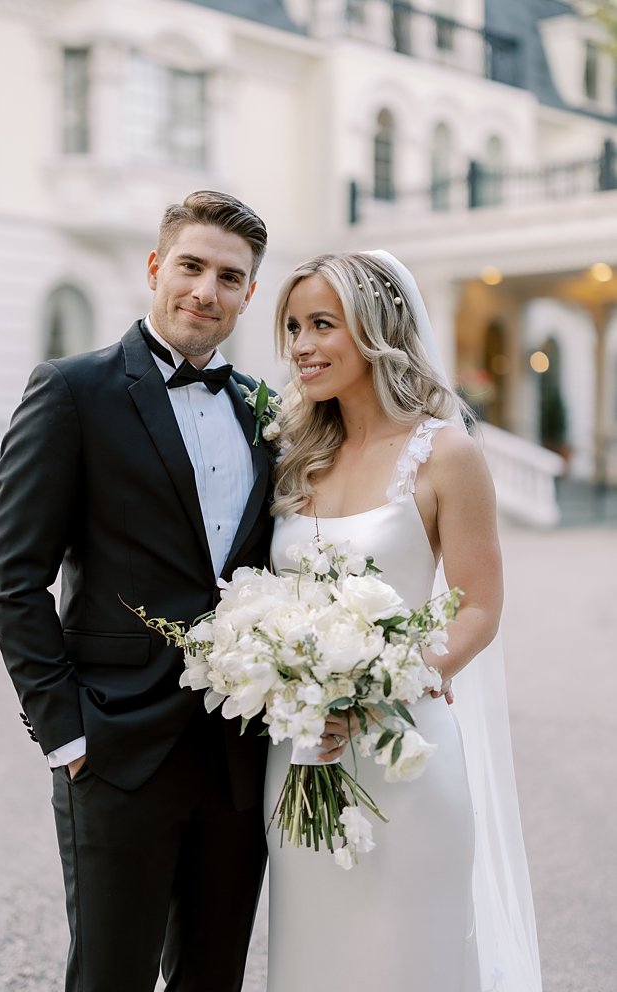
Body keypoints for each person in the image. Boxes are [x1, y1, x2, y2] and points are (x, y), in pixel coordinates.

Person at [0, 190, 274, 991]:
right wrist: (67, 735)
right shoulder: (72, 391)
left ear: (249, 294)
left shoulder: (265, 411)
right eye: (191, 266)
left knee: (214, 975)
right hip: (114, 748)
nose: (205, 292)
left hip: (239, 754)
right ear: (155, 267)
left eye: (229, 277)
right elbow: (12, 578)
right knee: (110, 974)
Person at [264, 250, 540, 991]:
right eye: (293, 326)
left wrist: (382, 688)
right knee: (313, 952)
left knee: (405, 957)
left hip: (405, 751)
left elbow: (480, 604)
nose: (301, 345)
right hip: (299, 755)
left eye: (323, 324)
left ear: (377, 328)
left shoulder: (446, 454)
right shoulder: (293, 454)